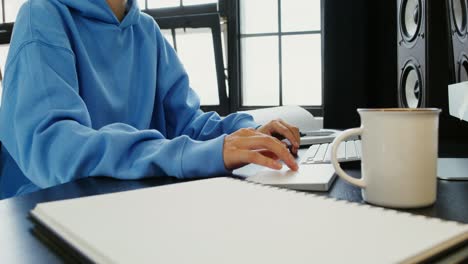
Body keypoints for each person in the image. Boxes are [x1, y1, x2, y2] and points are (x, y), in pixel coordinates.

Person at [0, 0, 300, 199]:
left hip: (128, 197)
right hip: (46, 206)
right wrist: (186, 155)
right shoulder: (42, 14)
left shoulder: (144, 29)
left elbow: (186, 123)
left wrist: (246, 132)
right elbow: (56, 149)